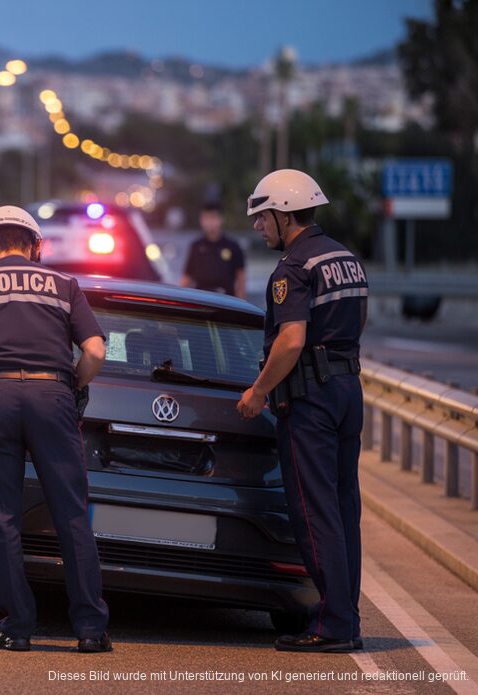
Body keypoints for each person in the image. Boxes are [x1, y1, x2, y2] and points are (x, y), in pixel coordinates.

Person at [0, 205, 111, 653]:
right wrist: (71, 386)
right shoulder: (64, 285)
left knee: (3, 516)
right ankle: (90, 629)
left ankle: (17, 628)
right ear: (35, 246)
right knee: (72, 514)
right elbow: (95, 350)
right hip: (53, 397)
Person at [236, 169, 368, 653]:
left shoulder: (293, 267)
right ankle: (344, 617)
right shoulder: (345, 258)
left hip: (311, 398)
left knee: (315, 511)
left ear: (285, 215)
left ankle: (333, 625)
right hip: (347, 390)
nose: (258, 227)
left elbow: (291, 340)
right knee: (344, 508)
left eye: (263, 217)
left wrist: (258, 392)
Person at [180, 200, 247, 298]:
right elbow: (186, 277)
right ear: (201, 220)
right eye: (206, 218)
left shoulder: (233, 246)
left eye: (213, 217)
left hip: (226, 299)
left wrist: (241, 303)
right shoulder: (196, 246)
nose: (210, 222)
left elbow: (241, 280)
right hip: (200, 298)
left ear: (221, 219)